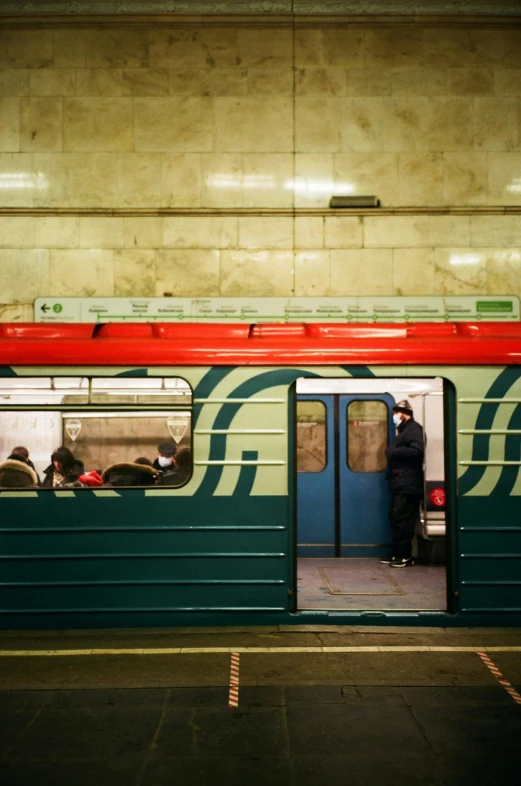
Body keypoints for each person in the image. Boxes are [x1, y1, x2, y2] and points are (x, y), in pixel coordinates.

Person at [381, 399, 424, 568]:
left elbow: (417, 451)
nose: (394, 417)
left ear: (404, 414)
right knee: (396, 518)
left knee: (403, 521)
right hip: (401, 483)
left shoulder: (414, 430)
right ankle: (397, 553)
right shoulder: (405, 430)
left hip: (409, 485)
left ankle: (405, 556)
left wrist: (393, 451)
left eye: (395, 414)